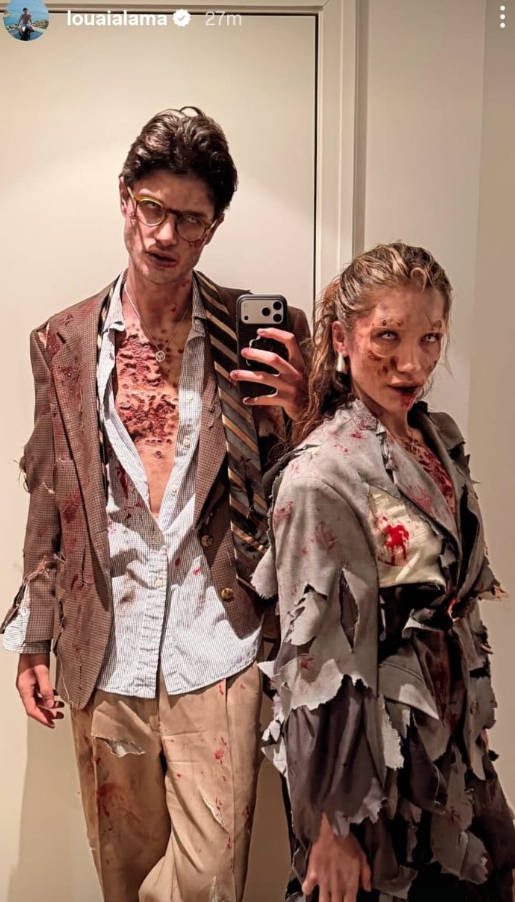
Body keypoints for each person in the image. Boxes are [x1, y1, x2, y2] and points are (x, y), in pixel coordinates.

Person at [1, 107, 310, 902]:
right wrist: (35, 638)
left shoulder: (254, 331)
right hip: (106, 645)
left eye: (190, 219)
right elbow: (52, 496)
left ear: (214, 227)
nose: (165, 234)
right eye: (151, 208)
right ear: (124, 198)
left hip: (219, 641)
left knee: (208, 879)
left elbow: (305, 489)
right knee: (123, 872)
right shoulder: (62, 340)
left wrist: (301, 411)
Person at [253, 242, 515, 902]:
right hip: (370, 769)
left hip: (450, 745)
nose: (413, 363)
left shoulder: (437, 439)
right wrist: (332, 826)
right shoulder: (320, 476)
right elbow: (313, 661)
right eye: (388, 337)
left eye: (430, 338)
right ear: (342, 338)